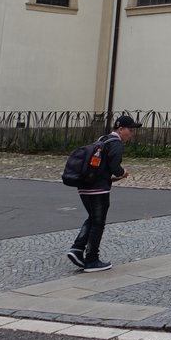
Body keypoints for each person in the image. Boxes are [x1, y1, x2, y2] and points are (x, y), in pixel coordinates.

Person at [66, 113, 136, 272]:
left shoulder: (102, 139)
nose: (131, 134)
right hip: (98, 189)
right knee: (98, 223)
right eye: (130, 130)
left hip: (85, 186)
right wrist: (123, 172)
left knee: (92, 218)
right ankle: (92, 259)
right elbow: (114, 167)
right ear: (120, 129)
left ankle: (77, 249)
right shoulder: (116, 143)